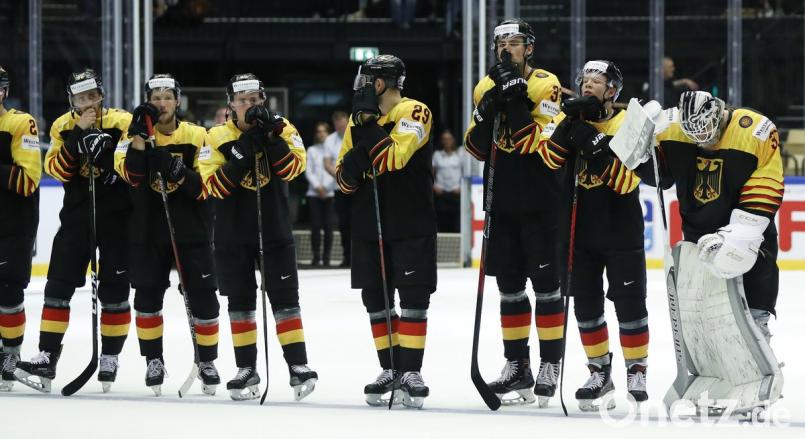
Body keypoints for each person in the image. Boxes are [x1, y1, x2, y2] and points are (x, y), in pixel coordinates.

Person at [537, 60, 650, 410]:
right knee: (586, 306)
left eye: (597, 81)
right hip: (577, 230)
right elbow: (548, 160)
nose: (588, 85)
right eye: (584, 80)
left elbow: (625, 181)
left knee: (630, 304)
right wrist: (570, 124)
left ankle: (637, 369)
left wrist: (590, 137)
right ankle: (599, 371)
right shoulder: (566, 120)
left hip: (620, 229)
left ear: (612, 90)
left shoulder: (631, 122)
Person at [464, 18, 565, 407]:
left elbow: (532, 142)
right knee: (509, 287)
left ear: (530, 48)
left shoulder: (545, 83)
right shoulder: (483, 87)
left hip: (541, 199)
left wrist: (513, 97)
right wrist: (490, 105)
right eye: (501, 41)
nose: (508, 47)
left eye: (516, 41)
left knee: (546, 287)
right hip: (502, 200)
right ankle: (517, 365)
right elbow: (476, 148)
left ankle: (550, 363)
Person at [200, 73, 318, 401]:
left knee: (285, 301)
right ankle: (246, 368)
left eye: (255, 99)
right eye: (243, 101)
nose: (250, 105)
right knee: (239, 303)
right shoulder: (215, 136)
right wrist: (242, 151)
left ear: (263, 101)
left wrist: (271, 137)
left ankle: (298, 366)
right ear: (231, 106)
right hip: (231, 233)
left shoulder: (283, 127)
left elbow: (294, 169)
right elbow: (214, 187)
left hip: (275, 229)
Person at [15, 69, 132, 393]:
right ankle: (48, 356)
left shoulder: (122, 121)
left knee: (115, 293)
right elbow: (57, 168)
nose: (88, 103)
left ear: (101, 95)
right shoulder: (62, 125)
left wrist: (110, 166)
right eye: (81, 98)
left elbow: (131, 163)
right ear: (72, 101)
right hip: (77, 217)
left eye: (92, 96)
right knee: (57, 286)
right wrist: (77, 136)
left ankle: (110, 356)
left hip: (117, 218)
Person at [336, 54, 436, 408]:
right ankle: (389, 368)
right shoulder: (357, 119)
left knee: (412, 298)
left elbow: (394, 158)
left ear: (379, 83)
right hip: (367, 221)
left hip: (411, 220)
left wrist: (366, 132)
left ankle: (411, 370)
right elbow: (342, 177)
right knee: (376, 299)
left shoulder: (415, 111)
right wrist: (361, 140)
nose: (360, 86)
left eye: (366, 80)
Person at [114, 74, 221, 396]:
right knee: (147, 297)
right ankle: (153, 360)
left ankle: (207, 361)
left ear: (178, 100)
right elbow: (131, 177)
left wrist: (179, 172)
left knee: (203, 296)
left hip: (192, 229)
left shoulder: (199, 135)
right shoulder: (132, 135)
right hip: (148, 229)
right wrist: (138, 140)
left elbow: (206, 187)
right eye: (155, 97)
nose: (161, 102)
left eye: (167, 96)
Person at [0, 66, 42, 392]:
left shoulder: (20, 122)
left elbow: (27, 181)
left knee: (8, 291)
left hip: (13, 224)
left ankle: (11, 354)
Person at [305, 121, 335, 266]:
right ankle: (316, 257)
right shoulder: (311, 150)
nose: (321, 133)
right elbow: (308, 171)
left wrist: (326, 187)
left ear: (328, 133)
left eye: (324, 131)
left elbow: (336, 169)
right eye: (319, 131)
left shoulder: (334, 149)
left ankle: (327, 258)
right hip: (314, 193)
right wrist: (318, 187)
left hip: (330, 193)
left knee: (329, 227)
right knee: (316, 226)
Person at [324, 110, 351, 267]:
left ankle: (361, 257)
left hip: (357, 187)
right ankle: (347, 257)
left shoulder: (356, 134)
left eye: (342, 121)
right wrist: (341, 177)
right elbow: (327, 163)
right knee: (343, 224)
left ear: (347, 121)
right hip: (339, 188)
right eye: (337, 122)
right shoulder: (330, 140)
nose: (340, 124)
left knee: (358, 223)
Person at [432, 129, 463, 233]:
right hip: (442, 194)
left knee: (457, 224)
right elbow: (432, 173)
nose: (447, 141)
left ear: (453, 140)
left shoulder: (460, 154)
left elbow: (465, 172)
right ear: (441, 141)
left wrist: (461, 188)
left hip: (456, 194)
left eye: (449, 139)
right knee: (442, 223)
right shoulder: (437, 155)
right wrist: (434, 186)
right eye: (444, 139)